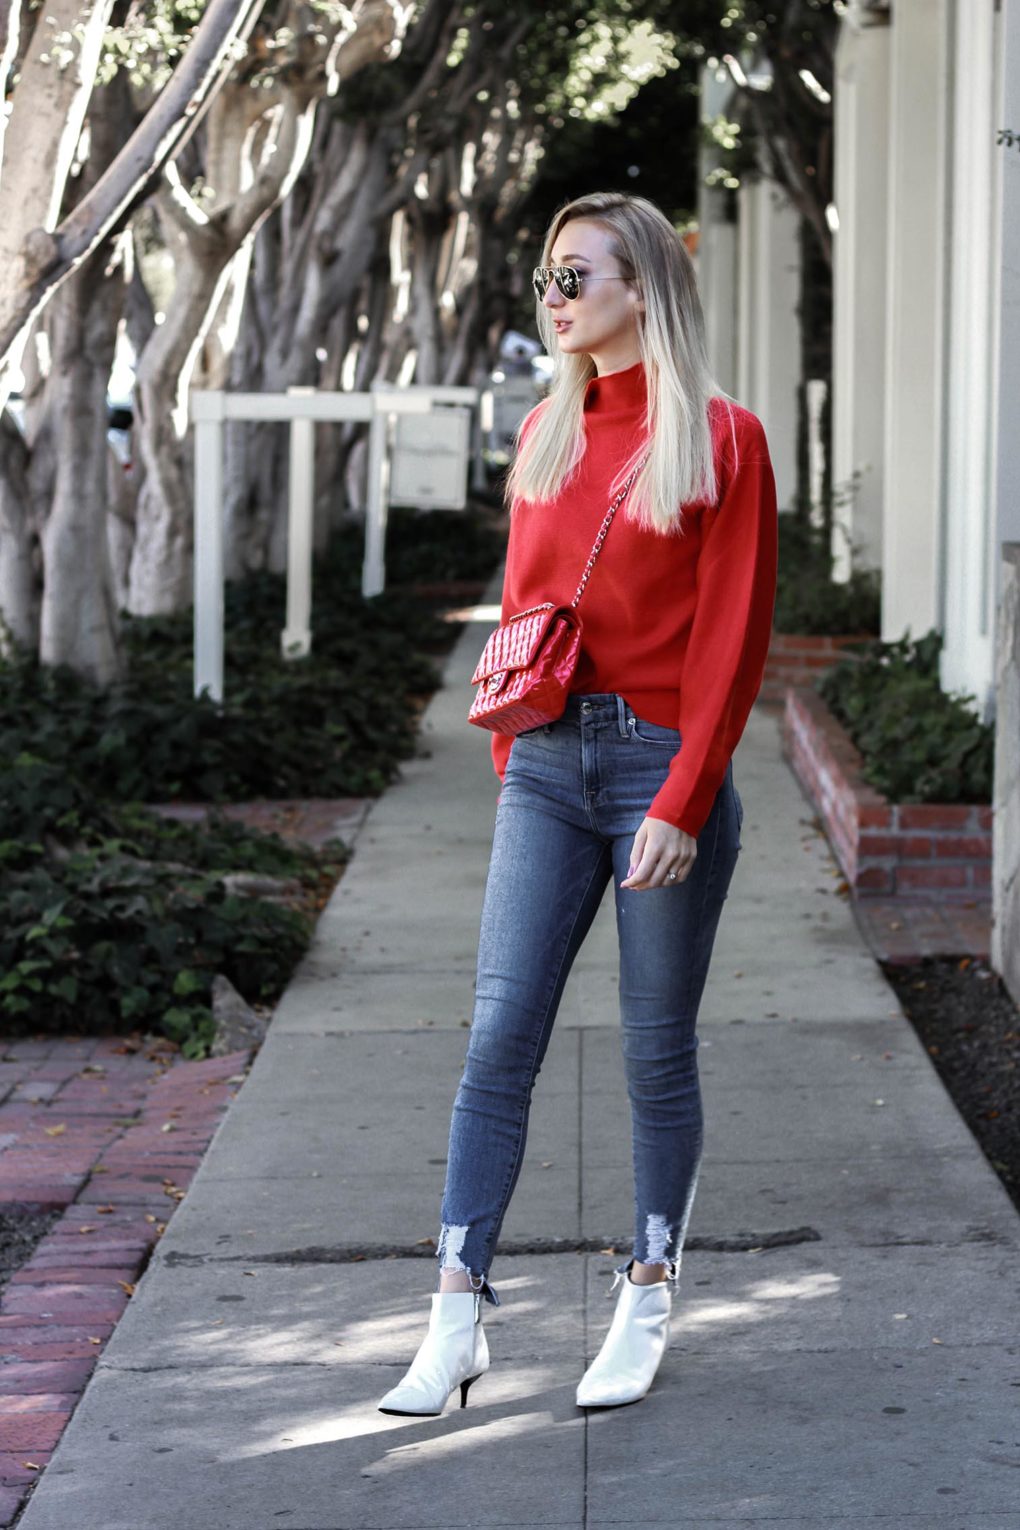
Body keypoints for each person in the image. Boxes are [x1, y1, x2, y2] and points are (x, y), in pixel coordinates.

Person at [379, 191, 778, 1416]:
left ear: (642, 288)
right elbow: (520, 611)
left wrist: (685, 794)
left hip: (663, 773)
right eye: (545, 278)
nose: (553, 297)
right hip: (547, 770)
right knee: (501, 1035)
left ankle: (648, 1292)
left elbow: (732, 637)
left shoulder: (722, 438)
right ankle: (455, 1316)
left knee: (656, 1050)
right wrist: (513, 759)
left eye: (575, 276)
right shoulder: (547, 435)